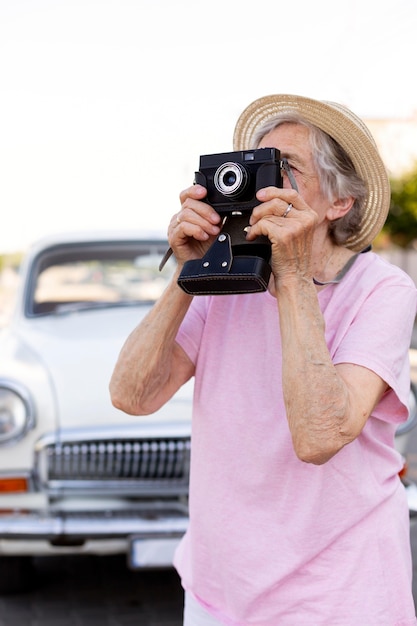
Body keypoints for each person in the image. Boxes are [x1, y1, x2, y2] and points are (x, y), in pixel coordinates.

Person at [110, 94, 417, 625]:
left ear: (339, 202)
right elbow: (132, 396)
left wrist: (293, 278)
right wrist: (188, 274)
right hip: (218, 593)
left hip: (338, 596)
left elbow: (319, 437)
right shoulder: (224, 281)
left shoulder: (381, 289)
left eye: (285, 168)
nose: (261, 185)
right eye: (257, 167)